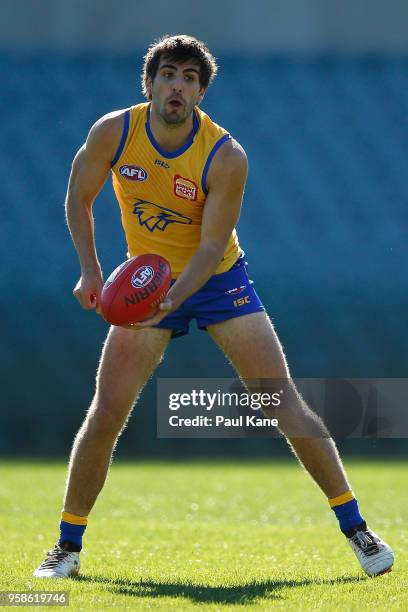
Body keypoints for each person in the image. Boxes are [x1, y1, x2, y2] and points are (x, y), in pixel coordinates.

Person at [34, 34, 393, 579]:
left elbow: (209, 247)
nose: (177, 86)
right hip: (148, 278)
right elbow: (78, 197)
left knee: (283, 404)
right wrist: (91, 270)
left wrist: (173, 297)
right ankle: (67, 546)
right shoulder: (114, 132)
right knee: (106, 413)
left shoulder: (226, 155)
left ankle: (359, 531)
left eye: (189, 79)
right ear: (149, 83)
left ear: (200, 94)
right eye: (168, 75)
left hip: (218, 281)